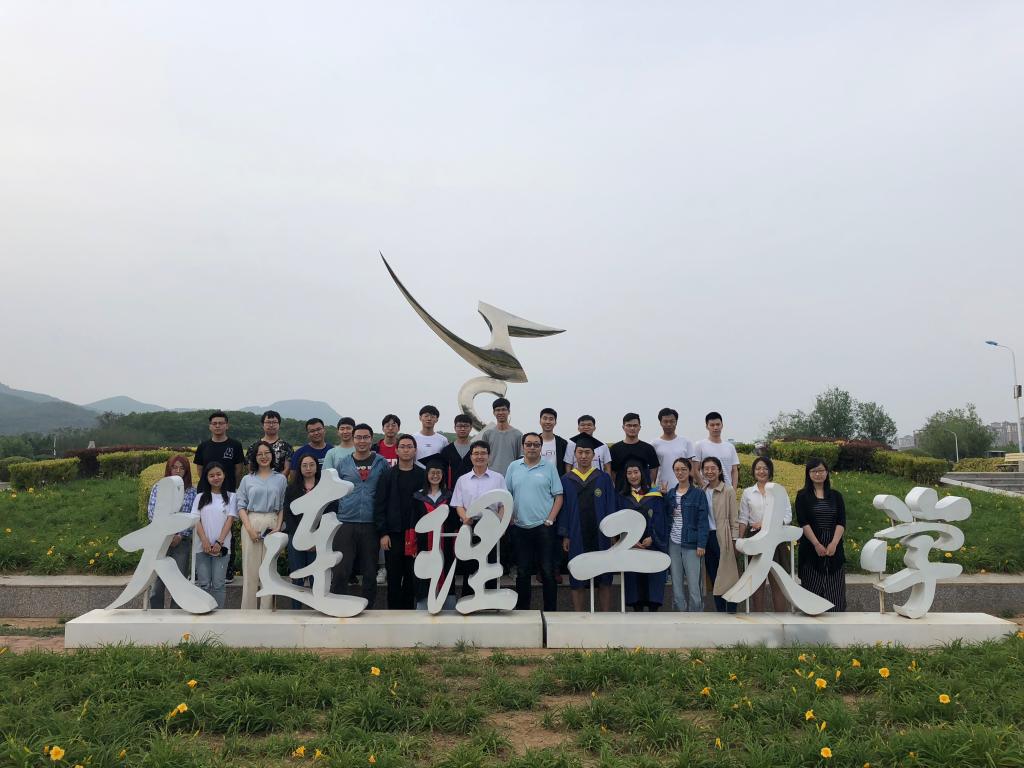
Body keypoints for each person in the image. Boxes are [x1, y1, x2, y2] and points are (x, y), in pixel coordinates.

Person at [329, 423, 389, 607]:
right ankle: (337, 607)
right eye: (358, 437)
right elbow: (334, 492)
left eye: (365, 437)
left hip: (371, 523)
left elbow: (386, 492)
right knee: (341, 569)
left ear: (371, 439)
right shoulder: (343, 463)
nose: (362, 441)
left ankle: (368, 608)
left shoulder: (381, 463)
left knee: (370, 571)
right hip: (346, 522)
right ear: (353, 439)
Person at [558, 435, 618, 611]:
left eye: (587, 452)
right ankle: (579, 617)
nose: (583, 456)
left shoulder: (604, 478)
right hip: (576, 534)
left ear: (593, 455)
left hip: (601, 534)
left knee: (604, 577)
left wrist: (613, 533)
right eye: (580, 452)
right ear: (575, 454)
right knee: (577, 575)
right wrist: (565, 535)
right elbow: (564, 509)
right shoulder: (566, 479)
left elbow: (611, 505)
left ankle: (605, 616)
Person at [505, 432, 564, 611]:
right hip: (520, 527)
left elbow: (558, 496)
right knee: (522, 571)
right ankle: (523, 611)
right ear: (523, 446)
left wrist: (550, 519)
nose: (532, 447)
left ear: (541, 447)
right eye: (529, 444)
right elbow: (507, 494)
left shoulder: (549, 467)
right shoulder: (514, 467)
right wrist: (510, 517)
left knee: (547, 570)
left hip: (544, 527)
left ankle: (550, 612)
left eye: (536, 444)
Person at [374, 434, 426, 609]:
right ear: (396, 450)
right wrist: (383, 533)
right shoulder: (387, 475)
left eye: (409, 446)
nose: (406, 450)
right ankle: (393, 614)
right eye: (402, 446)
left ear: (415, 450)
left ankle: (409, 613)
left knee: (412, 575)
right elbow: (380, 505)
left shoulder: (422, 475)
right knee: (394, 577)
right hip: (393, 534)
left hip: (415, 533)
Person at [193, 410, 245, 583]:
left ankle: (227, 570)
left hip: (227, 492)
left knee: (227, 529)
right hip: (206, 492)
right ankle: (201, 569)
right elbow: (200, 470)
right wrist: (211, 484)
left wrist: (227, 486)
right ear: (210, 426)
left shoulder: (235, 445)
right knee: (203, 527)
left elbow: (238, 470)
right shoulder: (203, 446)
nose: (217, 426)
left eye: (221, 423)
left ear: (227, 425)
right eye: (214, 423)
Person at [451, 440, 508, 591]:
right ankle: (468, 598)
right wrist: (465, 518)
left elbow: (503, 504)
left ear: (489, 456)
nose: (479, 457)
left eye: (483, 453)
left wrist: (500, 524)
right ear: (471, 457)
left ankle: (490, 599)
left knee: (490, 564)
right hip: (470, 525)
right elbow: (458, 504)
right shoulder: (462, 480)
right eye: (476, 453)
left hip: (491, 527)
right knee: (470, 566)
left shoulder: (498, 478)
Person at [236, 441, 287, 610]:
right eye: (260, 454)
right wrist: (249, 528)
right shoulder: (247, 479)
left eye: (267, 453)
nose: (264, 457)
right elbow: (241, 506)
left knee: (269, 570)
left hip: (272, 523)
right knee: (250, 569)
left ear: (272, 455)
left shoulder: (280, 479)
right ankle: (248, 611)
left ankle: (267, 611)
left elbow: (282, 505)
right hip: (252, 521)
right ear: (254, 457)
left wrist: (278, 527)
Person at [739, 457, 793, 611]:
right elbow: (743, 518)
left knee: (777, 581)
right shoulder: (748, 493)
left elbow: (787, 516)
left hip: (776, 540)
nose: (761, 471)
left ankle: (781, 620)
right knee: (757, 583)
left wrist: (765, 524)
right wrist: (740, 540)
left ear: (770, 471)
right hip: (755, 539)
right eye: (758, 468)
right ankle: (759, 619)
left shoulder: (779, 490)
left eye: (764, 468)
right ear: (753, 471)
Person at [795, 458, 847, 611]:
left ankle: (836, 623)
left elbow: (841, 522)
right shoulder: (802, 496)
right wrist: (817, 544)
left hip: (833, 548)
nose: (818, 474)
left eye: (821, 471)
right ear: (808, 474)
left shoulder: (836, 496)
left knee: (835, 595)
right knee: (812, 593)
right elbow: (803, 522)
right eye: (814, 471)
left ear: (827, 472)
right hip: (811, 548)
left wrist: (834, 543)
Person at [617, 460, 669, 611]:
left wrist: (653, 538)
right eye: (629, 473)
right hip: (631, 547)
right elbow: (619, 522)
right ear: (625, 476)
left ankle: (653, 610)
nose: (633, 476)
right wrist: (629, 541)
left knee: (652, 583)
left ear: (642, 473)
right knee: (635, 586)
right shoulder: (621, 497)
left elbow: (661, 519)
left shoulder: (655, 495)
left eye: (636, 472)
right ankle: (637, 609)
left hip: (651, 545)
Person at [146, 454, 196, 609]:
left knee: (179, 582)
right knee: (157, 584)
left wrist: (179, 535)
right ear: (169, 469)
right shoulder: (158, 487)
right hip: (161, 541)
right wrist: (167, 534)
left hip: (181, 542)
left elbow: (192, 516)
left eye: (182, 468)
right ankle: (156, 614)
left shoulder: (191, 491)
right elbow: (152, 513)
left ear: (186, 471)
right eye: (174, 467)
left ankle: (176, 614)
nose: (178, 471)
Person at [411, 456, 460, 609]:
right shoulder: (418, 496)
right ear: (427, 474)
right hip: (424, 544)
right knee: (424, 573)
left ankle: (448, 603)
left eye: (439, 472)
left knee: (446, 569)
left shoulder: (450, 496)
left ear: (443, 475)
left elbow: (454, 522)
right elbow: (413, 522)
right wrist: (412, 545)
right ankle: (424, 605)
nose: (435, 476)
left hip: (445, 544)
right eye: (432, 472)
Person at [191, 461, 238, 609]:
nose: (216, 478)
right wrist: (204, 540)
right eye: (211, 475)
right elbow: (196, 520)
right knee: (204, 584)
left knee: (219, 584)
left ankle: (218, 615)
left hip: (222, 548)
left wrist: (219, 542)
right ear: (206, 478)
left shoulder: (231, 497)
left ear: (224, 475)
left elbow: (230, 520)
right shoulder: (200, 497)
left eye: (218, 474)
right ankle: (204, 612)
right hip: (202, 547)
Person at [666, 458, 710, 612]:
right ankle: (680, 617)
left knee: (694, 585)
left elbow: (703, 521)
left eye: (683, 469)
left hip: (692, 544)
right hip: (673, 543)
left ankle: (696, 617)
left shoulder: (698, 494)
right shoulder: (670, 494)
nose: (680, 472)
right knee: (676, 584)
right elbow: (665, 517)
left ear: (690, 471)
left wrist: (701, 544)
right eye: (677, 470)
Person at [701, 456, 740, 613]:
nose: (709, 471)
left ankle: (731, 609)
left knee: (728, 574)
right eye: (706, 469)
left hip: (724, 536)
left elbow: (734, 517)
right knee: (714, 574)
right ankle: (720, 610)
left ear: (719, 471)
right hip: (707, 537)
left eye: (713, 468)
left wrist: (735, 539)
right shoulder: (702, 491)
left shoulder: (728, 490)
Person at [283, 453, 320, 608]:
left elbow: (330, 512)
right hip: (296, 537)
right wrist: (300, 536)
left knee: (316, 576)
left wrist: (316, 538)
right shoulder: (292, 489)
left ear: (317, 467)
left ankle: (317, 608)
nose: (308, 468)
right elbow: (288, 514)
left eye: (311, 464)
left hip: (317, 538)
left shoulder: (323, 488)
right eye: (304, 465)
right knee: (297, 574)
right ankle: (296, 610)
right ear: (299, 468)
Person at [609, 413, 659, 491]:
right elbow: (613, 472)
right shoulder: (615, 449)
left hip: (644, 493)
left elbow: (653, 470)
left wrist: (648, 486)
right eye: (629, 425)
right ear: (623, 427)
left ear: (639, 427)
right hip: (621, 492)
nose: (632, 428)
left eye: (635, 425)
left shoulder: (648, 448)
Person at [652, 407, 695, 489]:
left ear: (676, 422)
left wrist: (691, 487)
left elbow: (691, 468)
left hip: (683, 489)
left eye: (672, 421)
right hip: (662, 489)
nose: (669, 424)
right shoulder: (654, 444)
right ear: (660, 423)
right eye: (665, 421)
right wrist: (652, 488)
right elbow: (653, 469)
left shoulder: (686, 442)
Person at [478, 397, 523, 475]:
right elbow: (482, 458)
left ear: (509, 411)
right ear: (494, 412)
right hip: (491, 476)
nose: (501, 412)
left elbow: (521, 459)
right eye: (498, 410)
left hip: (511, 476)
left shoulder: (518, 434)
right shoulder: (487, 434)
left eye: (503, 409)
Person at [695, 411, 740, 489]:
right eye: (712, 425)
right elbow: (695, 470)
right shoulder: (700, 445)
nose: (715, 427)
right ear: (707, 427)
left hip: (727, 490)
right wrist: (704, 487)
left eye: (718, 424)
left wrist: (734, 490)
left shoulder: (730, 447)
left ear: (722, 425)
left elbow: (734, 470)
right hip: (707, 491)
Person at [245, 410, 293, 477]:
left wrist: (277, 481)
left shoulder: (286, 447)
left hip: (280, 482)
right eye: (268, 422)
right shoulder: (253, 447)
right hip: (257, 482)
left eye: (274, 422)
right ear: (263, 425)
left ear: (279, 425)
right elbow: (250, 468)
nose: (271, 425)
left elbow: (287, 468)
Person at [439, 414, 474, 487]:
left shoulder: (475, 450)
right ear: (455, 428)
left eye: (466, 426)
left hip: (472, 488)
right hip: (451, 490)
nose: (462, 429)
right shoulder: (447, 450)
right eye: (459, 426)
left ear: (471, 428)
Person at [538, 407, 568, 476]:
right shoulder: (533, 442)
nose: (548, 422)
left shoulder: (563, 443)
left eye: (551, 419)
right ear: (540, 421)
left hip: (556, 479)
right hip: (536, 480)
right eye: (545, 418)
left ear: (555, 422)